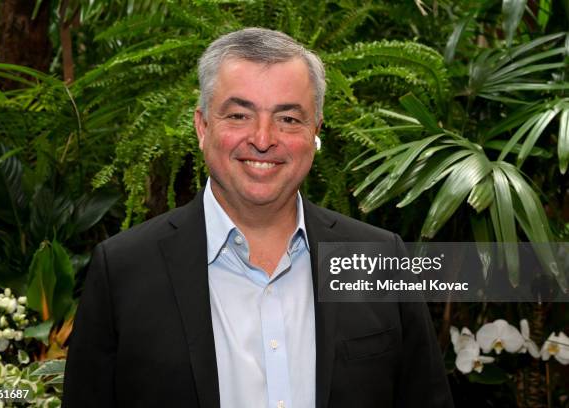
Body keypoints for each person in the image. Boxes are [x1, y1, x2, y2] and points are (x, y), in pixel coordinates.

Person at [63, 27, 453, 408]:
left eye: (288, 119)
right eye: (238, 115)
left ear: (314, 133)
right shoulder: (123, 272)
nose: (264, 139)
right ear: (202, 127)